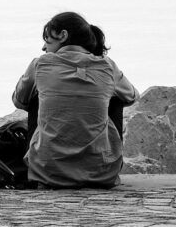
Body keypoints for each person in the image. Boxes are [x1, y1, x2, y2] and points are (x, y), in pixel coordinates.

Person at [12, 11, 138, 188]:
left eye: (47, 41)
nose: (43, 48)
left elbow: (19, 100)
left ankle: (44, 158)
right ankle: (100, 159)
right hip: (101, 174)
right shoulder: (107, 66)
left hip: (47, 173)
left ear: (63, 35)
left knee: (34, 97)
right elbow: (132, 96)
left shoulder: (40, 64)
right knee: (116, 99)